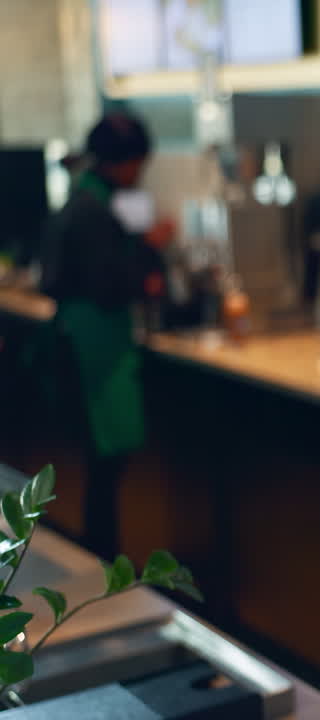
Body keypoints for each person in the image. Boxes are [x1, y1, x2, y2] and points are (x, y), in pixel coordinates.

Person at [39, 112, 173, 560]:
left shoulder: (84, 199)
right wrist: (149, 250)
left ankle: (101, 557)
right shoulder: (93, 212)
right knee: (106, 463)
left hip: (85, 340)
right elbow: (108, 285)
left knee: (102, 464)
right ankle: (105, 558)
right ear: (123, 162)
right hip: (98, 349)